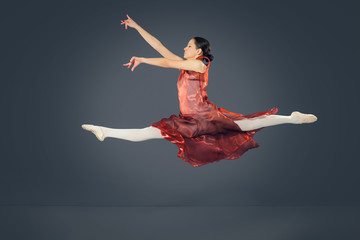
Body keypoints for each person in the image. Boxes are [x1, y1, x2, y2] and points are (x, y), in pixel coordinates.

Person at [82, 14, 317, 167]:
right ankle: (104, 131)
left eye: (188, 45)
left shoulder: (199, 63)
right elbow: (161, 48)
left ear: (198, 51)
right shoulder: (188, 65)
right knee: (150, 132)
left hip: (205, 117)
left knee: (251, 122)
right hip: (189, 120)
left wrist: (143, 59)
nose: (184, 47)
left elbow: (168, 62)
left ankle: (293, 118)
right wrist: (136, 27)